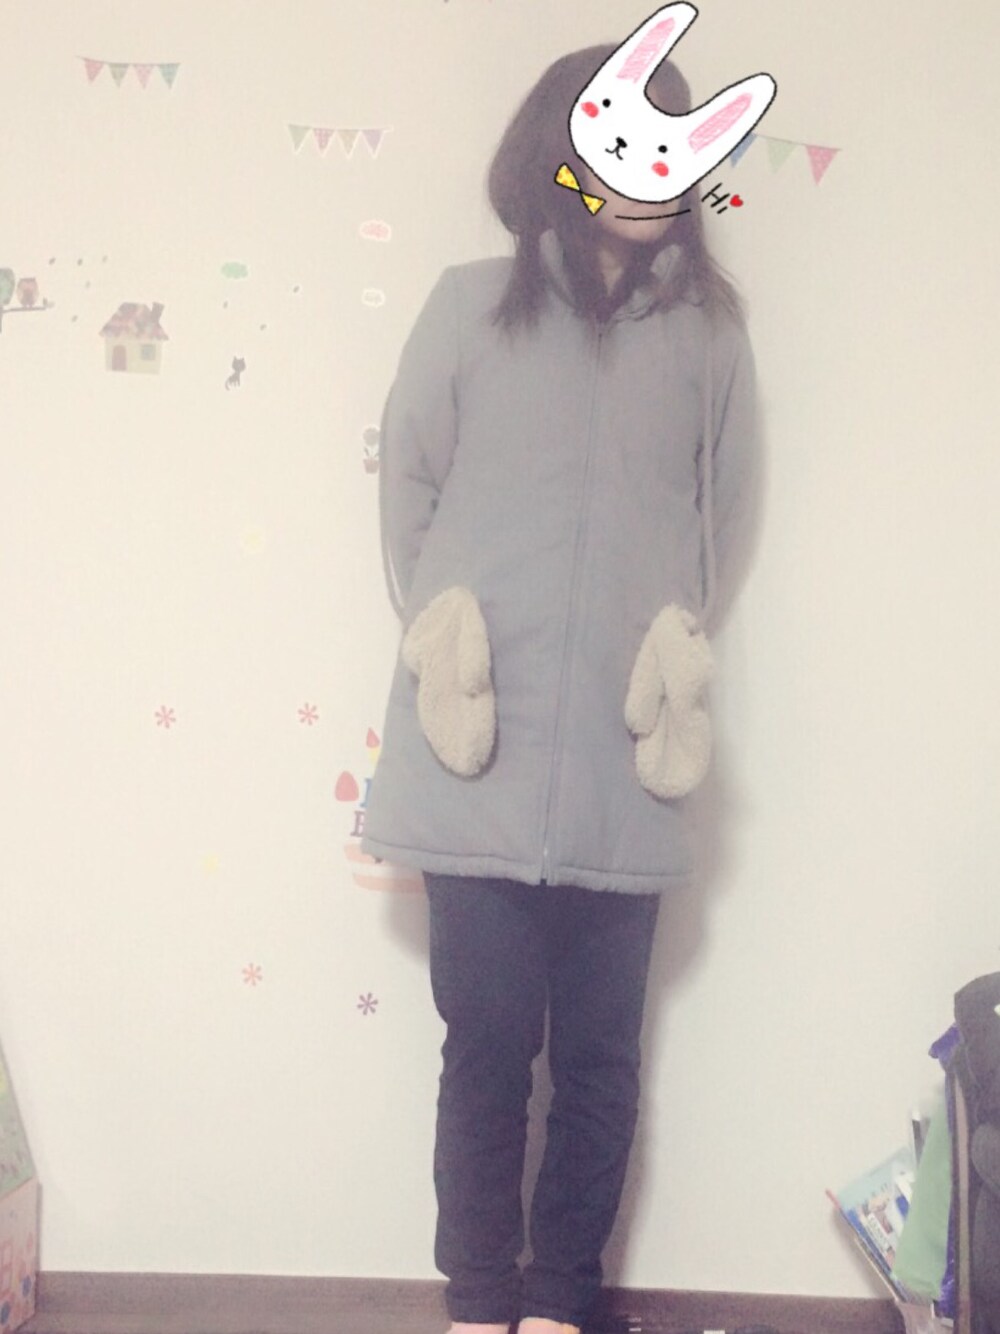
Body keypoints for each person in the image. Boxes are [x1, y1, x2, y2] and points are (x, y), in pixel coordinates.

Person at [361, 39, 761, 1334]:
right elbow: (408, 491)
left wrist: (673, 647)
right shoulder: (468, 307)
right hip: (474, 749)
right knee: (485, 1051)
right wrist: (444, 632)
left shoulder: (708, 337)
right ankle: (481, 1300)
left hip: (624, 758)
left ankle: (559, 1301)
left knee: (598, 1060)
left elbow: (722, 521)